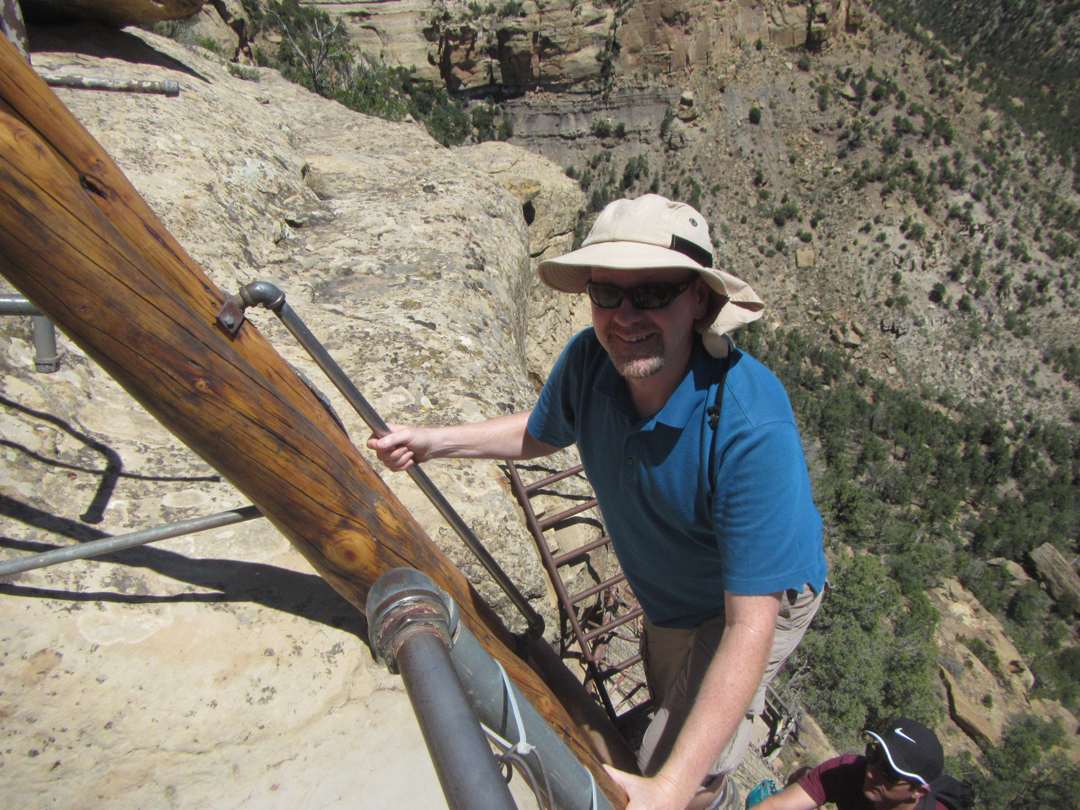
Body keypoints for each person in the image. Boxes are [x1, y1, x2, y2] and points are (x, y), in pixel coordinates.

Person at [368, 194, 828, 810]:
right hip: (671, 592)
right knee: (673, 696)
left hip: (755, 597)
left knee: (677, 761)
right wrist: (435, 442)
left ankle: (705, 793)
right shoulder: (592, 361)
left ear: (699, 300)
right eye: (606, 292)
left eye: (653, 292)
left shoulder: (748, 425)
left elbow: (750, 625)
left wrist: (667, 786)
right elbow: (542, 429)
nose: (625, 314)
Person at [754, 719, 948, 810]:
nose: (872, 773)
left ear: (919, 792)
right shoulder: (850, 771)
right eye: (873, 756)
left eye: (889, 773)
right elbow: (773, 807)